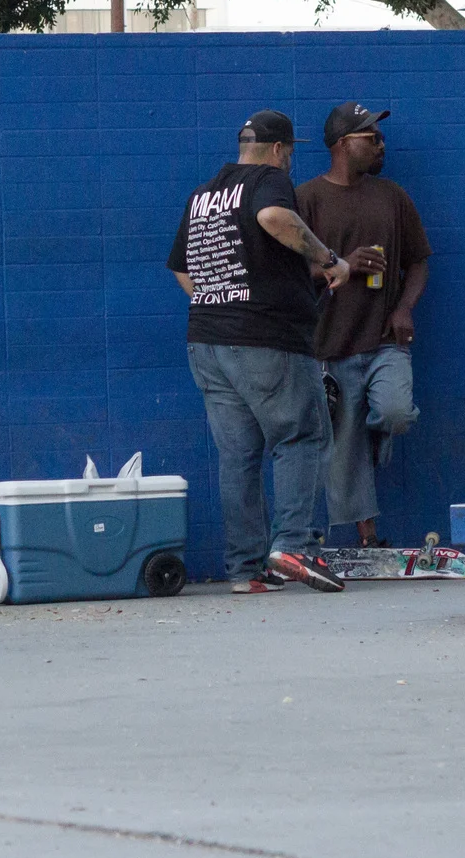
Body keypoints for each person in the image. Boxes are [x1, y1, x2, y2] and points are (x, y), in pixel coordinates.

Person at [167, 109, 352, 593]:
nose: (290, 162)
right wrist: (329, 259)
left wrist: (224, 300)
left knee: (239, 457)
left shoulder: (203, 196)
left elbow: (182, 271)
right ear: (278, 150)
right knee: (303, 437)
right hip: (266, 340)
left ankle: (248, 570)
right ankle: (294, 546)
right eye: (291, 153)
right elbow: (273, 218)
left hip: (208, 341)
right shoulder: (267, 181)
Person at [297, 102, 431, 547]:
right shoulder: (306, 201)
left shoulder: (392, 197)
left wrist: (404, 307)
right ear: (342, 145)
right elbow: (286, 274)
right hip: (329, 347)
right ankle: (368, 538)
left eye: (380, 137)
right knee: (343, 452)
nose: (381, 144)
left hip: (385, 340)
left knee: (392, 412)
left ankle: (376, 430)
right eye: (371, 137)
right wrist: (341, 266)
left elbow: (418, 262)